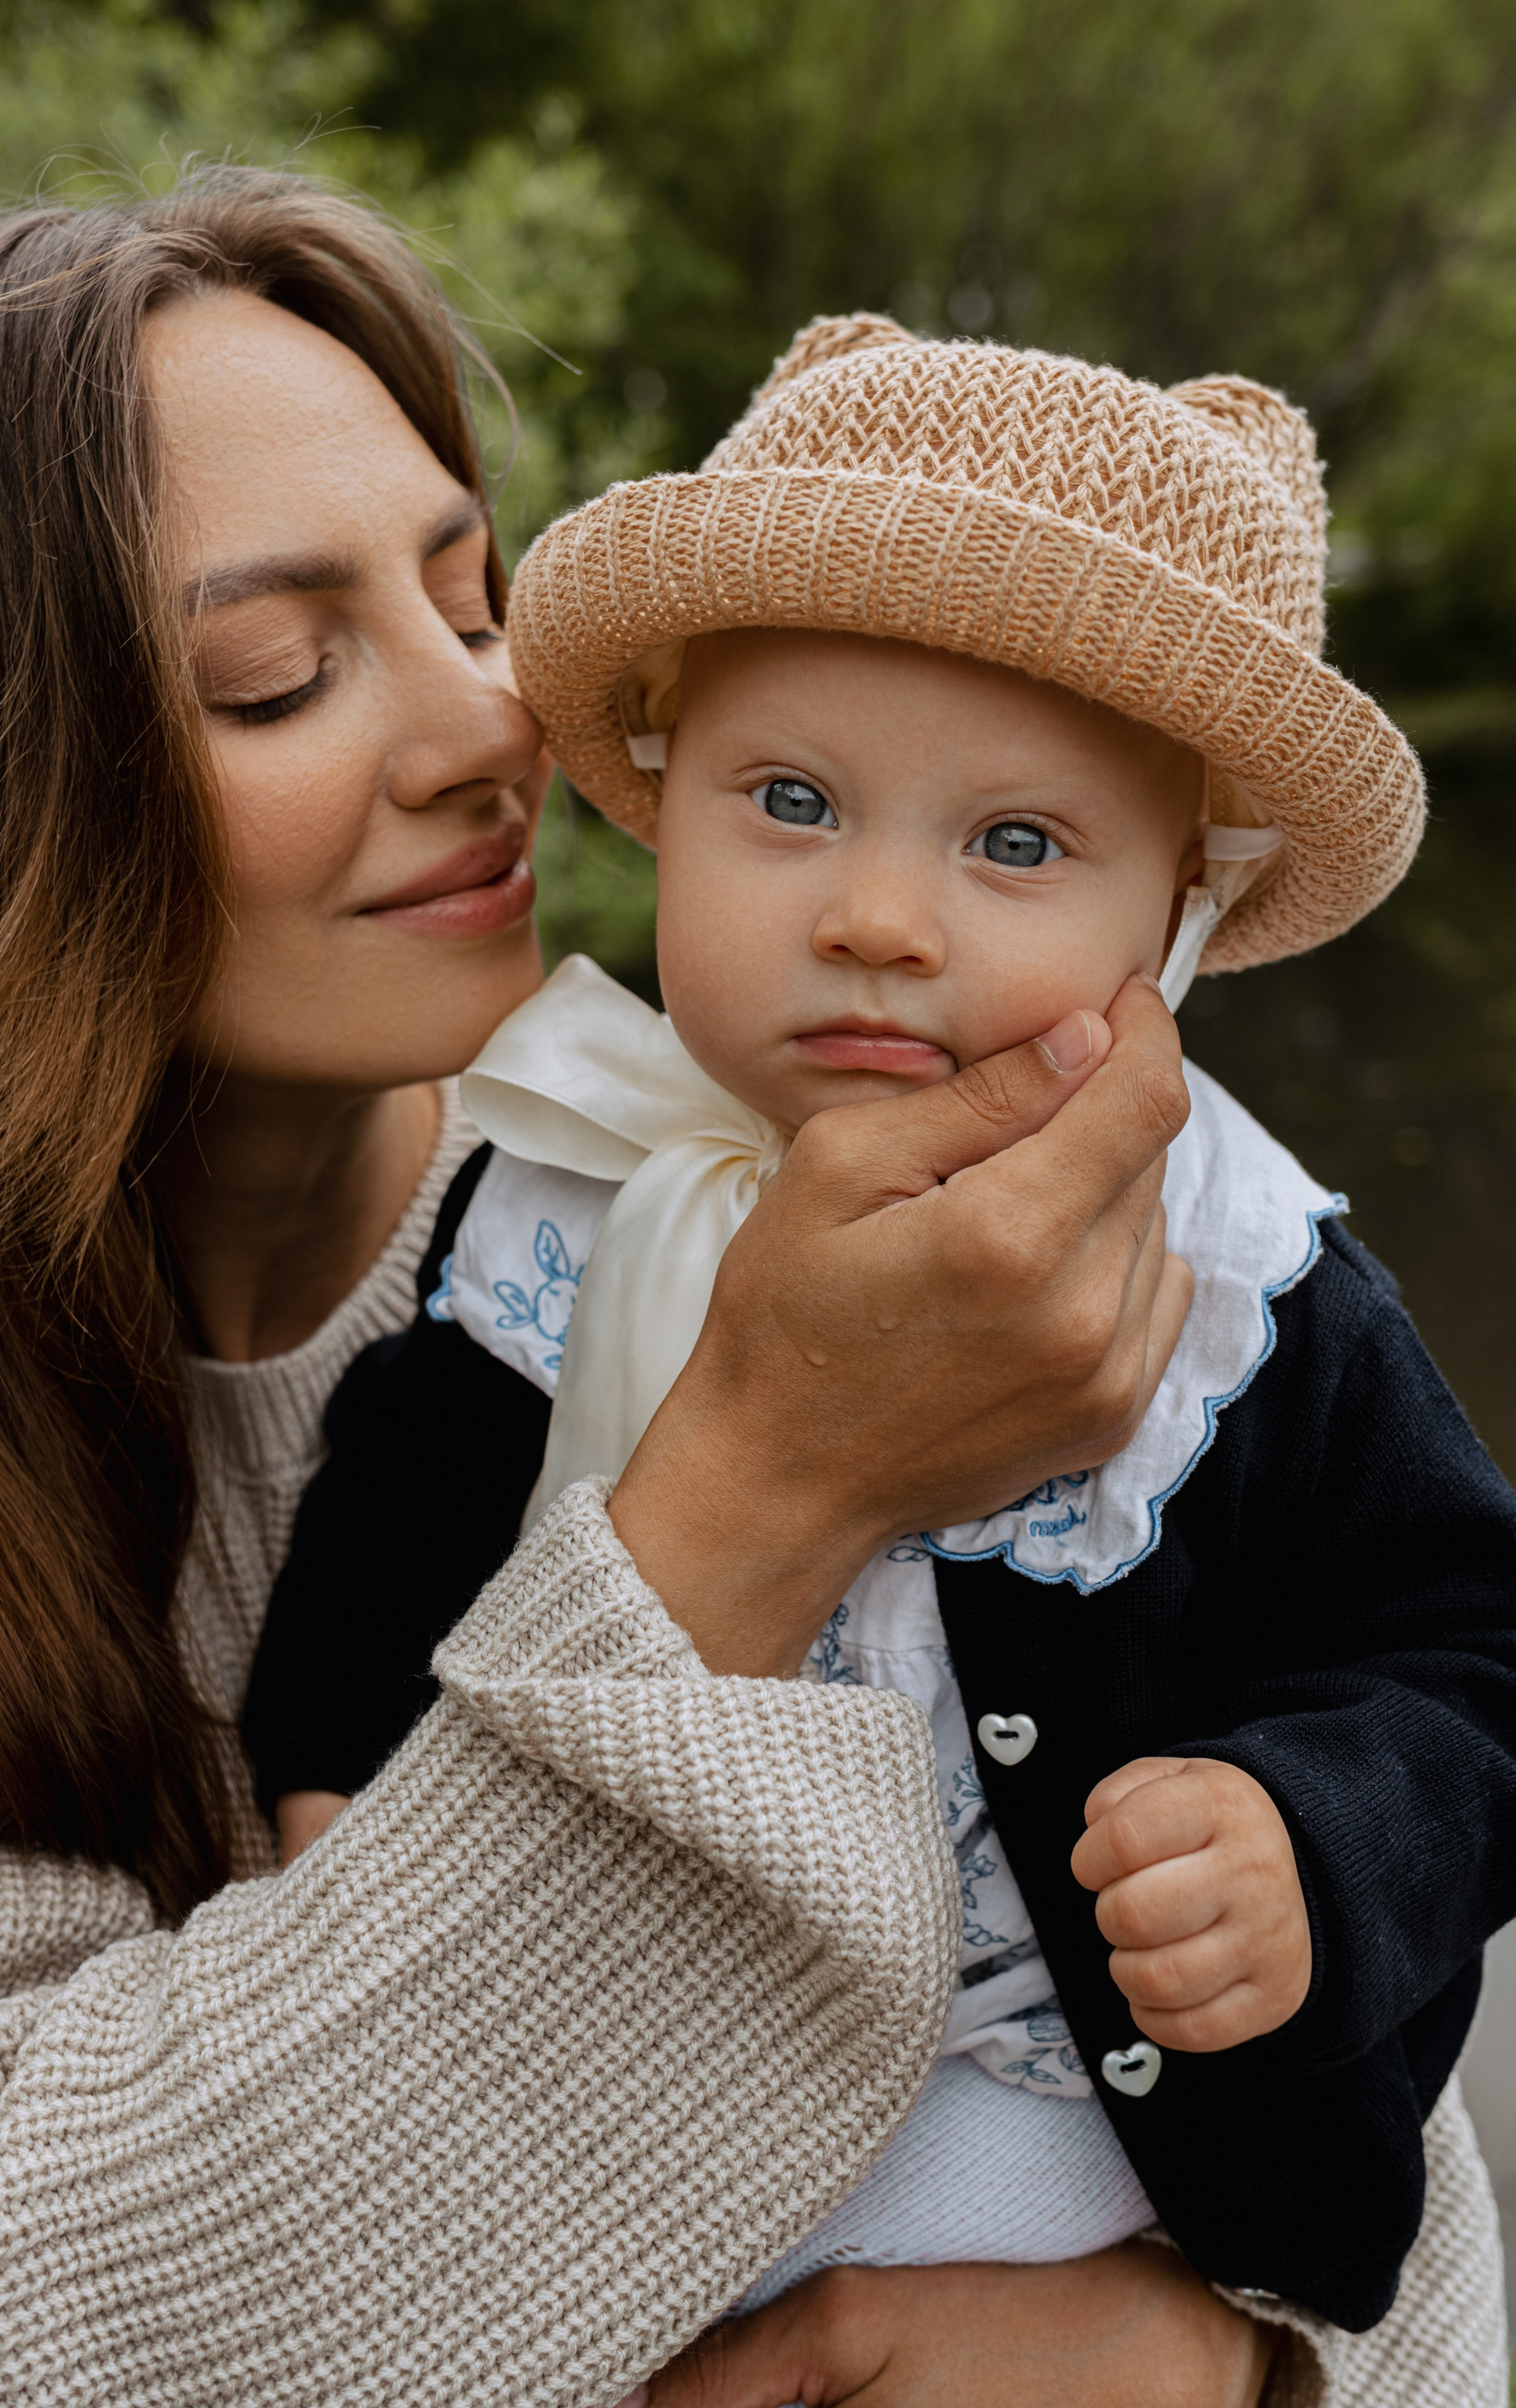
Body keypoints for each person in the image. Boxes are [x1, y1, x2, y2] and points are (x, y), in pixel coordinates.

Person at [0, 166, 1318, 2406]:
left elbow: (1382, 2145)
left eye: (471, 595)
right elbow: (72, 2301)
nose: (494, 731)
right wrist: (762, 1484)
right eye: (278, 673)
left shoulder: (793, 1190)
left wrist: (1222, 2359)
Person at [247, 316, 1516, 2403]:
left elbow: (1482, 1656)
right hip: (632, 2121)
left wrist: (1310, 1840)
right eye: (792, 802)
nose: (877, 915)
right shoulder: (575, 1188)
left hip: (1076, 2138)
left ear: (1180, 924)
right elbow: (398, 1517)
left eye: (1018, 848)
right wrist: (337, 1795)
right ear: (666, 800)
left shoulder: (1246, 1288)